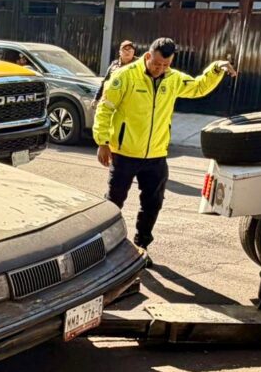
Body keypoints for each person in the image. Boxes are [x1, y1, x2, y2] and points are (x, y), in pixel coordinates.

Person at [93, 37, 236, 263]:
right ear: (148, 56)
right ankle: (106, 247)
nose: (160, 69)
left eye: (165, 65)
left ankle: (140, 247)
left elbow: (198, 87)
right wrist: (102, 142)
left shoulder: (173, 78)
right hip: (124, 153)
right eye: (156, 63)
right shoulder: (124, 76)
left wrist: (216, 68)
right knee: (113, 202)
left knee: (153, 203)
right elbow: (105, 109)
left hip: (156, 155)